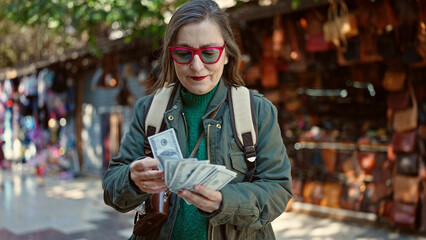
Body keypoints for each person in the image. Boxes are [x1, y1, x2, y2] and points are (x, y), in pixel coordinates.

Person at [102, 0, 293, 239]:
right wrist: (131, 179)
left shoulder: (258, 111)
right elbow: (111, 190)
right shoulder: (149, 110)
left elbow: (278, 190)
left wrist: (224, 201)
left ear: (226, 54)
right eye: (184, 53)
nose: (196, 65)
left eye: (209, 53)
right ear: (171, 55)